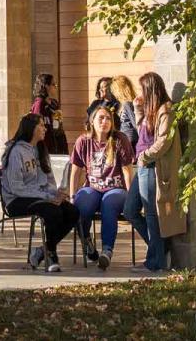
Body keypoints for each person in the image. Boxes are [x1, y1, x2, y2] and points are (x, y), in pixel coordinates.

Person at [0, 113, 79, 272]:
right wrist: (47, 197)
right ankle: (51, 255)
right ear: (31, 129)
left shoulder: (40, 149)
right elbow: (17, 188)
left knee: (72, 211)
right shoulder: (16, 152)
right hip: (17, 200)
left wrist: (55, 195)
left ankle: (42, 250)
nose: (45, 128)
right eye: (41, 125)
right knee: (53, 212)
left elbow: (48, 180)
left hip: (39, 197)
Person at [124, 72, 186, 273]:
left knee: (151, 214)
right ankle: (160, 247)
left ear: (151, 90)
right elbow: (143, 131)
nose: (140, 92)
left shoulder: (165, 111)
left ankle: (156, 262)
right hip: (142, 166)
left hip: (151, 166)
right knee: (130, 210)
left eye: (143, 89)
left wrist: (144, 157)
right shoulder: (151, 111)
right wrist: (137, 108)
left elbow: (163, 141)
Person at [69, 104, 134, 271]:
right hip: (93, 187)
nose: (104, 122)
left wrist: (132, 196)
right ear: (92, 121)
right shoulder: (83, 141)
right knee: (83, 203)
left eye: (108, 119)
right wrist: (72, 195)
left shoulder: (120, 140)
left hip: (116, 188)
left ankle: (107, 251)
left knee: (109, 203)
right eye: (101, 118)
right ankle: (86, 241)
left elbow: (127, 170)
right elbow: (75, 171)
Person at [31, 73, 68, 155]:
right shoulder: (39, 104)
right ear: (46, 86)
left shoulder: (54, 103)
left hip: (58, 144)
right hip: (45, 148)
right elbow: (37, 128)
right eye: (53, 84)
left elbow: (57, 125)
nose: (56, 87)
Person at [112, 75, 139, 148]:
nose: (114, 93)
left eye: (114, 89)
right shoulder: (121, 104)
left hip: (130, 141)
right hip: (124, 139)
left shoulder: (128, 104)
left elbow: (136, 124)